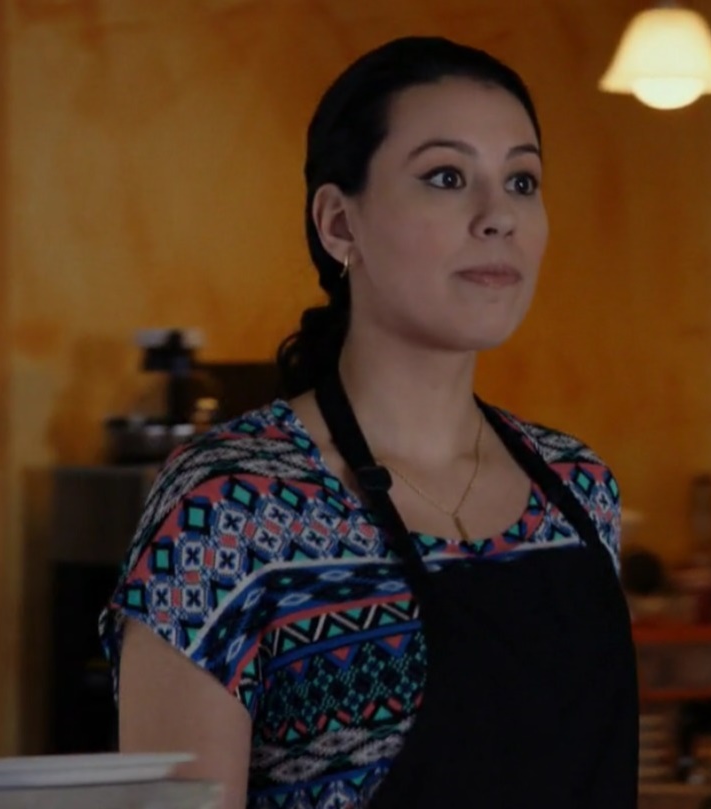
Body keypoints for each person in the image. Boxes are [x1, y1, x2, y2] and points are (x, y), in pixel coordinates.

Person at [99, 36, 639, 809]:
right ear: (338, 224)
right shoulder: (230, 508)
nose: (499, 217)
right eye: (446, 176)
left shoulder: (578, 489)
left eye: (522, 181)